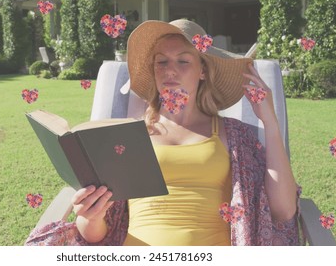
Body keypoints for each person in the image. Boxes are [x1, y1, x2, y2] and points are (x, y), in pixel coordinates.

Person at [26, 19, 301, 246]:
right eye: (161, 62)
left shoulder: (233, 135)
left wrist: (270, 122)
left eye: (183, 61)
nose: (170, 70)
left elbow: (283, 210)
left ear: (202, 71)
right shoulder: (124, 137)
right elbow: (93, 235)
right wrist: (91, 215)